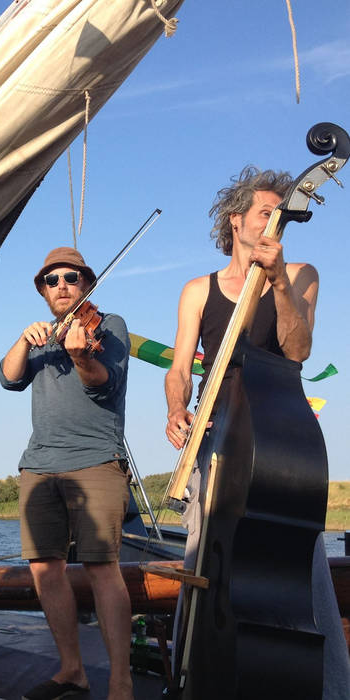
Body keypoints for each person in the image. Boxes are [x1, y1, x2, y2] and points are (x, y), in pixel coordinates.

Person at [164, 166, 349, 697]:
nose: (275, 220)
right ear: (236, 219)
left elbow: (298, 350)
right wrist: (176, 409)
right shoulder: (198, 289)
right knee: (201, 556)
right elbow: (180, 371)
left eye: (281, 214)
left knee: (301, 562)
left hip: (276, 438)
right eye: (267, 212)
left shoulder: (302, 273)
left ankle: (333, 689)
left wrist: (279, 280)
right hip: (215, 436)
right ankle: (194, 679)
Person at [0, 247, 132, 700]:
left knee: (101, 567)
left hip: (95, 459)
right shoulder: (40, 336)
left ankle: (120, 683)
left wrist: (79, 357)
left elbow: (104, 384)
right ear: (43, 290)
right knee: (44, 568)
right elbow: (8, 379)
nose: (61, 286)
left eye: (71, 278)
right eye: (52, 280)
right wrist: (24, 340)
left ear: (86, 284)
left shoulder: (108, 326)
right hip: (39, 464)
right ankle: (72, 670)